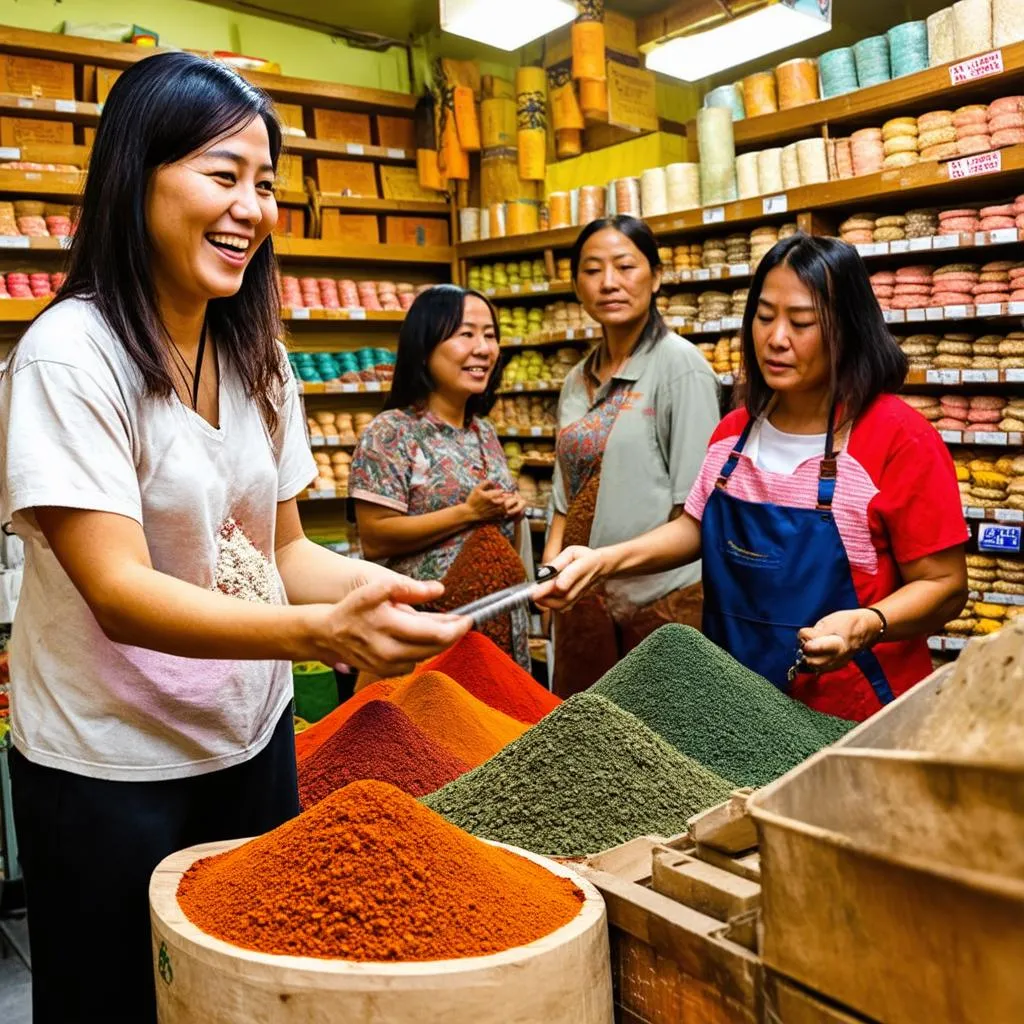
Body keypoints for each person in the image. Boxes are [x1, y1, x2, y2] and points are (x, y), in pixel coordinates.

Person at [0, 53, 468, 1024]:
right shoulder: (69, 355)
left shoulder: (256, 352)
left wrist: (384, 592)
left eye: (265, 184)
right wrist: (320, 634)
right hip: (108, 764)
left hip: (247, 740)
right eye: (223, 175)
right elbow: (117, 587)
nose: (250, 208)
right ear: (138, 176)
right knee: (117, 1000)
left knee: (243, 996)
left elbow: (286, 549)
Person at [537, 233, 968, 722]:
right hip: (737, 711)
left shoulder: (897, 438)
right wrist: (602, 561)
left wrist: (869, 623)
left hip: (856, 713)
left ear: (848, 328)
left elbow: (945, 584)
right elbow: (697, 527)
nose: (776, 338)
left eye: (801, 322)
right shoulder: (734, 433)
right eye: (764, 317)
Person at [542, 215, 720, 696]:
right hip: (585, 601)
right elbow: (565, 498)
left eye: (625, 266)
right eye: (592, 269)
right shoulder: (576, 380)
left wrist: (604, 563)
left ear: (656, 276)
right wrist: (549, 573)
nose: (609, 283)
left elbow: (696, 510)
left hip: (662, 604)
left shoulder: (680, 367)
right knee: (588, 753)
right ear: (577, 284)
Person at [350, 284, 530, 667]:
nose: (482, 348)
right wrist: (467, 513)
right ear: (425, 345)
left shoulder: (484, 431)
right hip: (427, 632)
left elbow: (490, 527)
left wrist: (507, 510)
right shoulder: (392, 432)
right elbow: (376, 537)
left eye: (490, 335)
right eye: (466, 334)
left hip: (495, 625)